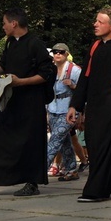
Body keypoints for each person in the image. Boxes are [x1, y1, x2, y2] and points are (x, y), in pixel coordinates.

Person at [67, 7, 111, 202]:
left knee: (103, 148)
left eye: (100, 21)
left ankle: (96, 190)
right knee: (97, 146)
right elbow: (85, 79)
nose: (95, 24)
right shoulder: (95, 47)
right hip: (95, 107)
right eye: (96, 20)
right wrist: (76, 106)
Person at [0, 8, 54, 196]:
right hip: (9, 100)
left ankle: (31, 183)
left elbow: (45, 74)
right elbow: (3, 68)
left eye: (4, 23)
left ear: (14, 23)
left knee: (30, 142)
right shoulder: (10, 43)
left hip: (30, 102)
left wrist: (21, 82)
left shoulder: (35, 44)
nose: (3, 27)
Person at [47, 43, 82, 182]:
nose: (57, 54)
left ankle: (40, 169)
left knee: (55, 139)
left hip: (69, 110)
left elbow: (84, 91)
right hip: (52, 109)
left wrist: (73, 85)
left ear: (67, 54)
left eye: (61, 52)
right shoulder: (50, 70)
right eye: (55, 52)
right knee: (64, 141)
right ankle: (72, 169)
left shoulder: (74, 70)